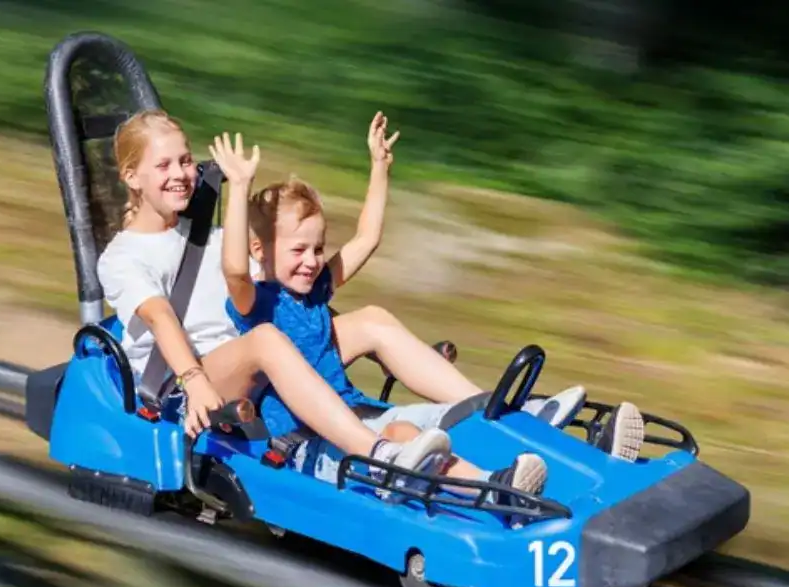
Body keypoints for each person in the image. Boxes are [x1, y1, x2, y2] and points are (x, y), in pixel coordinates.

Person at [212, 113, 644, 502]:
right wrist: (241, 187)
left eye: (318, 248)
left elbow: (367, 239)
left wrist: (379, 168)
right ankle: (495, 489)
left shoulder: (316, 289)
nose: (311, 260)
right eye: (298, 250)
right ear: (260, 249)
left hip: (363, 416)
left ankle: (525, 426)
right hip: (316, 442)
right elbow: (234, 270)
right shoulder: (257, 304)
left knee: (429, 426)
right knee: (408, 440)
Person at [95, 108, 459, 496]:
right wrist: (195, 380)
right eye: (163, 165)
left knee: (370, 320)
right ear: (131, 177)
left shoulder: (212, 237)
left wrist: (377, 170)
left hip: (253, 360)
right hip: (189, 387)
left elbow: (283, 279)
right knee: (267, 339)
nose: (181, 174)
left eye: (185, 160)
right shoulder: (124, 257)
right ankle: (379, 455)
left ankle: (488, 411)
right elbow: (161, 318)